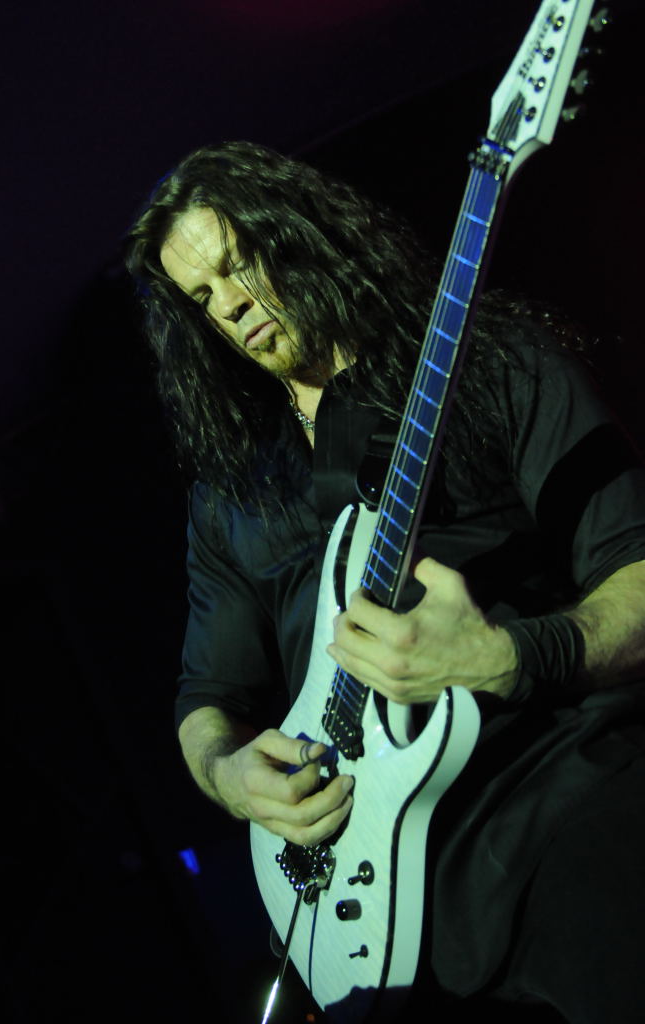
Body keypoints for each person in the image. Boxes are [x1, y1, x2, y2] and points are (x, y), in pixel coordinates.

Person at [126, 140, 645, 1022]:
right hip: (362, 900)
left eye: (238, 264)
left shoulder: (492, 362)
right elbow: (208, 698)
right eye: (203, 297)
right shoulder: (234, 492)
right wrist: (232, 772)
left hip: (558, 807)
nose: (231, 305)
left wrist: (516, 655)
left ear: (301, 234)